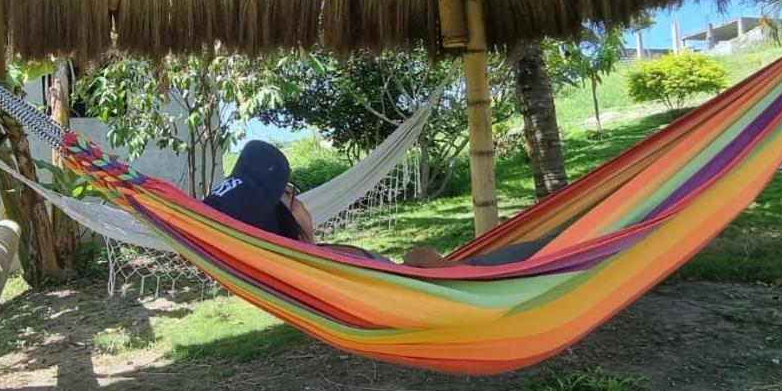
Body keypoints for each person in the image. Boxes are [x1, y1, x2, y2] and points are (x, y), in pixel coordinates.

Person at [204, 140, 555, 268]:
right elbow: (417, 272)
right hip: (476, 284)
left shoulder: (309, 267)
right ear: (283, 219)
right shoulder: (325, 266)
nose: (302, 200)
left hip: (462, 281)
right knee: (561, 247)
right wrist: (426, 259)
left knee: (565, 241)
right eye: (291, 193)